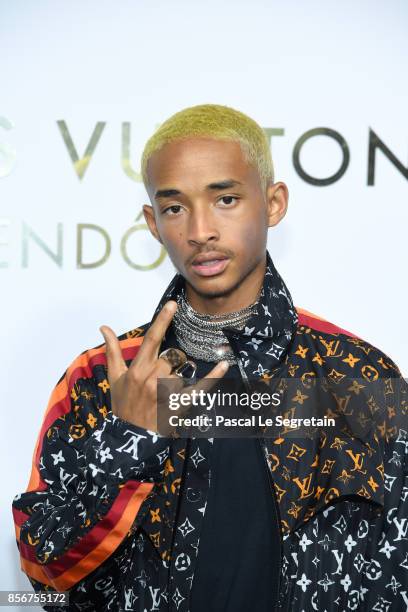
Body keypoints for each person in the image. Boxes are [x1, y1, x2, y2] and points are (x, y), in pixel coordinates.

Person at [12, 104, 408, 612]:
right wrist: (130, 436)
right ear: (153, 224)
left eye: (225, 199)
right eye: (175, 208)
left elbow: (395, 575)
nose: (200, 230)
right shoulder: (98, 377)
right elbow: (44, 571)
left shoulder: (355, 374)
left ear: (274, 203)